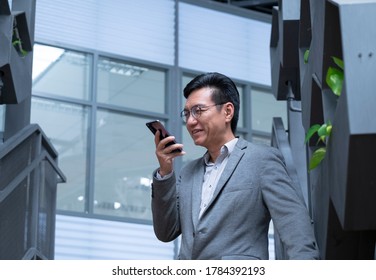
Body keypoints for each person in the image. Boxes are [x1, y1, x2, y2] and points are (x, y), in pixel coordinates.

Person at [151, 72, 319, 260]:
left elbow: (295, 228)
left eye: (198, 110)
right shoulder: (188, 173)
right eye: (187, 113)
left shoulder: (262, 160)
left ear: (227, 112)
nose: (190, 121)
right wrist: (165, 172)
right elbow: (165, 232)